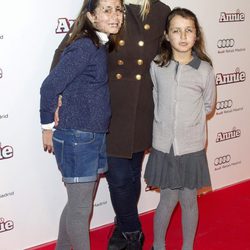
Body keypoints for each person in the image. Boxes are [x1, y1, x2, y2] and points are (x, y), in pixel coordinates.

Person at [50, 0, 171, 249]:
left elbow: (168, 53)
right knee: (118, 177)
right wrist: (59, 98)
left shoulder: (161, 11)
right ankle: (131, 232)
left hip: (141, 105)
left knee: (131, 175)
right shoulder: (110, 4)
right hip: (108, 106)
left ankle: (122, 227)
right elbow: (65, 50)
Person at [40, 0, 124, 249]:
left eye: (118, 9)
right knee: (80, 210)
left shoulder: (99, 44)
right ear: (91, 16)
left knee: (76, 205)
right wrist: (46, 127)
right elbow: (49, 87)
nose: (115, 15)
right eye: (107, 10)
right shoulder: (85, 46)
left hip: (91, 136)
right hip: (78, 138)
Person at [144, 7, 216, 250]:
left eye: (189, 30)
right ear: (166, 35)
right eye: (176, 30)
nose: (183, 36)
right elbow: (156, 96)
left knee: (189, 200)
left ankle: (188, 247)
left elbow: (207, 105)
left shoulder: (204, 69)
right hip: (165, 146)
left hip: (191, 147)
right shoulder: (157, 65)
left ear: (196, 35)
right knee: (167, 199)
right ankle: (158, 245)